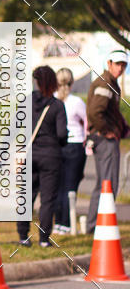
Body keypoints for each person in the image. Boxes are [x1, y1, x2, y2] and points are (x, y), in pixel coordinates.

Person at [16, 66, 67, 248]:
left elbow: (16, 128)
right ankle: (44, 239)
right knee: (47, 200)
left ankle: (23, 236)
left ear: (36, 81)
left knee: (26, 195)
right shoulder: (57, 106)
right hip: (51, 156)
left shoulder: (27, 101)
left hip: (29, 155)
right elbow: (62, 134)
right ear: (53, 82)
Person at [86, 48, 130, 232]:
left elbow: (111, 112)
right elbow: (95, 113)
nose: (120, 68)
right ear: (109, 64)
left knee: (105, 183)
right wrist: (107, 131)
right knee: (107, 183)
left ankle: (96, 225)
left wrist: (124, 128)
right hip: (104, 140)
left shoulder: (110, 83)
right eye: (118, 64)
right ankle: (97, 225)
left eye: (124, 65)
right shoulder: (105, 84)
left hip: (104, 138)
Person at [53, 68, 87, 235]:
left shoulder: (52, 100)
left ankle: (59, 222)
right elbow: (86, 122)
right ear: (72, 82)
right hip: (75, 144)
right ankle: (67, 224)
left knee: (58, 186)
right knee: (70, 186)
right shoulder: (76, 102)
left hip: (58, 146)